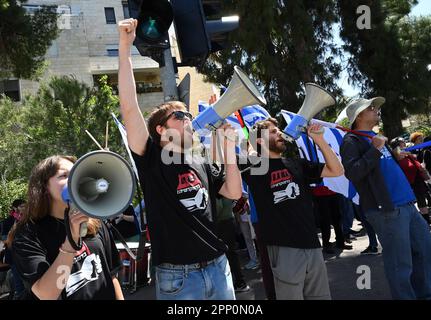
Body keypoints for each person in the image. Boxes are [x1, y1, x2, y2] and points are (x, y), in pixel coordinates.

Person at [118, 18, 242, 300]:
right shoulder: (150, 156)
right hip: (178, 278)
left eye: (188, 114)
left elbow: (233, 193)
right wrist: (124, 48)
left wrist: (230, 150)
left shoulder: (199, 159)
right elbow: (129, 105)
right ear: (160, 129)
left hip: (218, 266)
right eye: (179, 115)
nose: (188, 119)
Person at [241, 118, 344, 300]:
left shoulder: (297, 163)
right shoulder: (254, 169)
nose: (279, 133)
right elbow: (238, 157)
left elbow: (337, 170)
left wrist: (319, 141)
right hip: (283, 249)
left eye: (278, 130)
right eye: (273, 132)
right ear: (259, 140)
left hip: (312, 245)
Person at [340, 97, 431, 300]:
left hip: (407, 204)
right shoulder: (351, 140)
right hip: (387, 210)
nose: (376, 110)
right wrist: (374, 149)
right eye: (371, 108)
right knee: (400, 263)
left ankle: (425, 295)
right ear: (359, 115)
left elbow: (382, 168)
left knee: (424, 250)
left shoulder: (375, 136)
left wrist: (394, 156)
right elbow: (353, 173)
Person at [11, 155, 124, 300]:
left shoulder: (94, 221)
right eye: (64, 175)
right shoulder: (28, 235)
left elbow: (111, 275)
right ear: (44, 186)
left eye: (76, 174)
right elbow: (46, 295)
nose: (74, 180)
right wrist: (71, 242)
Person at [390, 137, 430, 224]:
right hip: (406, 182)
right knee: (410, 203)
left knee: (422, 201)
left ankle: (426, 220)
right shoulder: (395, 154)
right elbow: (398, 157)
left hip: (417, 179)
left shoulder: (407, 152)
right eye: (402, 142)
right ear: (397, 144)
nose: (404, 143)